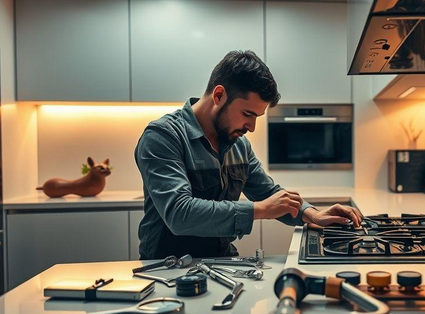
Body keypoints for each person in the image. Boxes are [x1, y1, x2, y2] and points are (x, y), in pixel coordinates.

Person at [134, 50, 362, 259]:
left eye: (257, 117)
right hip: (166, 269)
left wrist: (312, 214)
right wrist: (260, 209)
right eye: (247, 114)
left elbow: (268, 192)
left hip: (221, 261)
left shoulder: (238, 144)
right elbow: (179, 213)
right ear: (219, 95)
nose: (251, 127)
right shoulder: (163, 136)